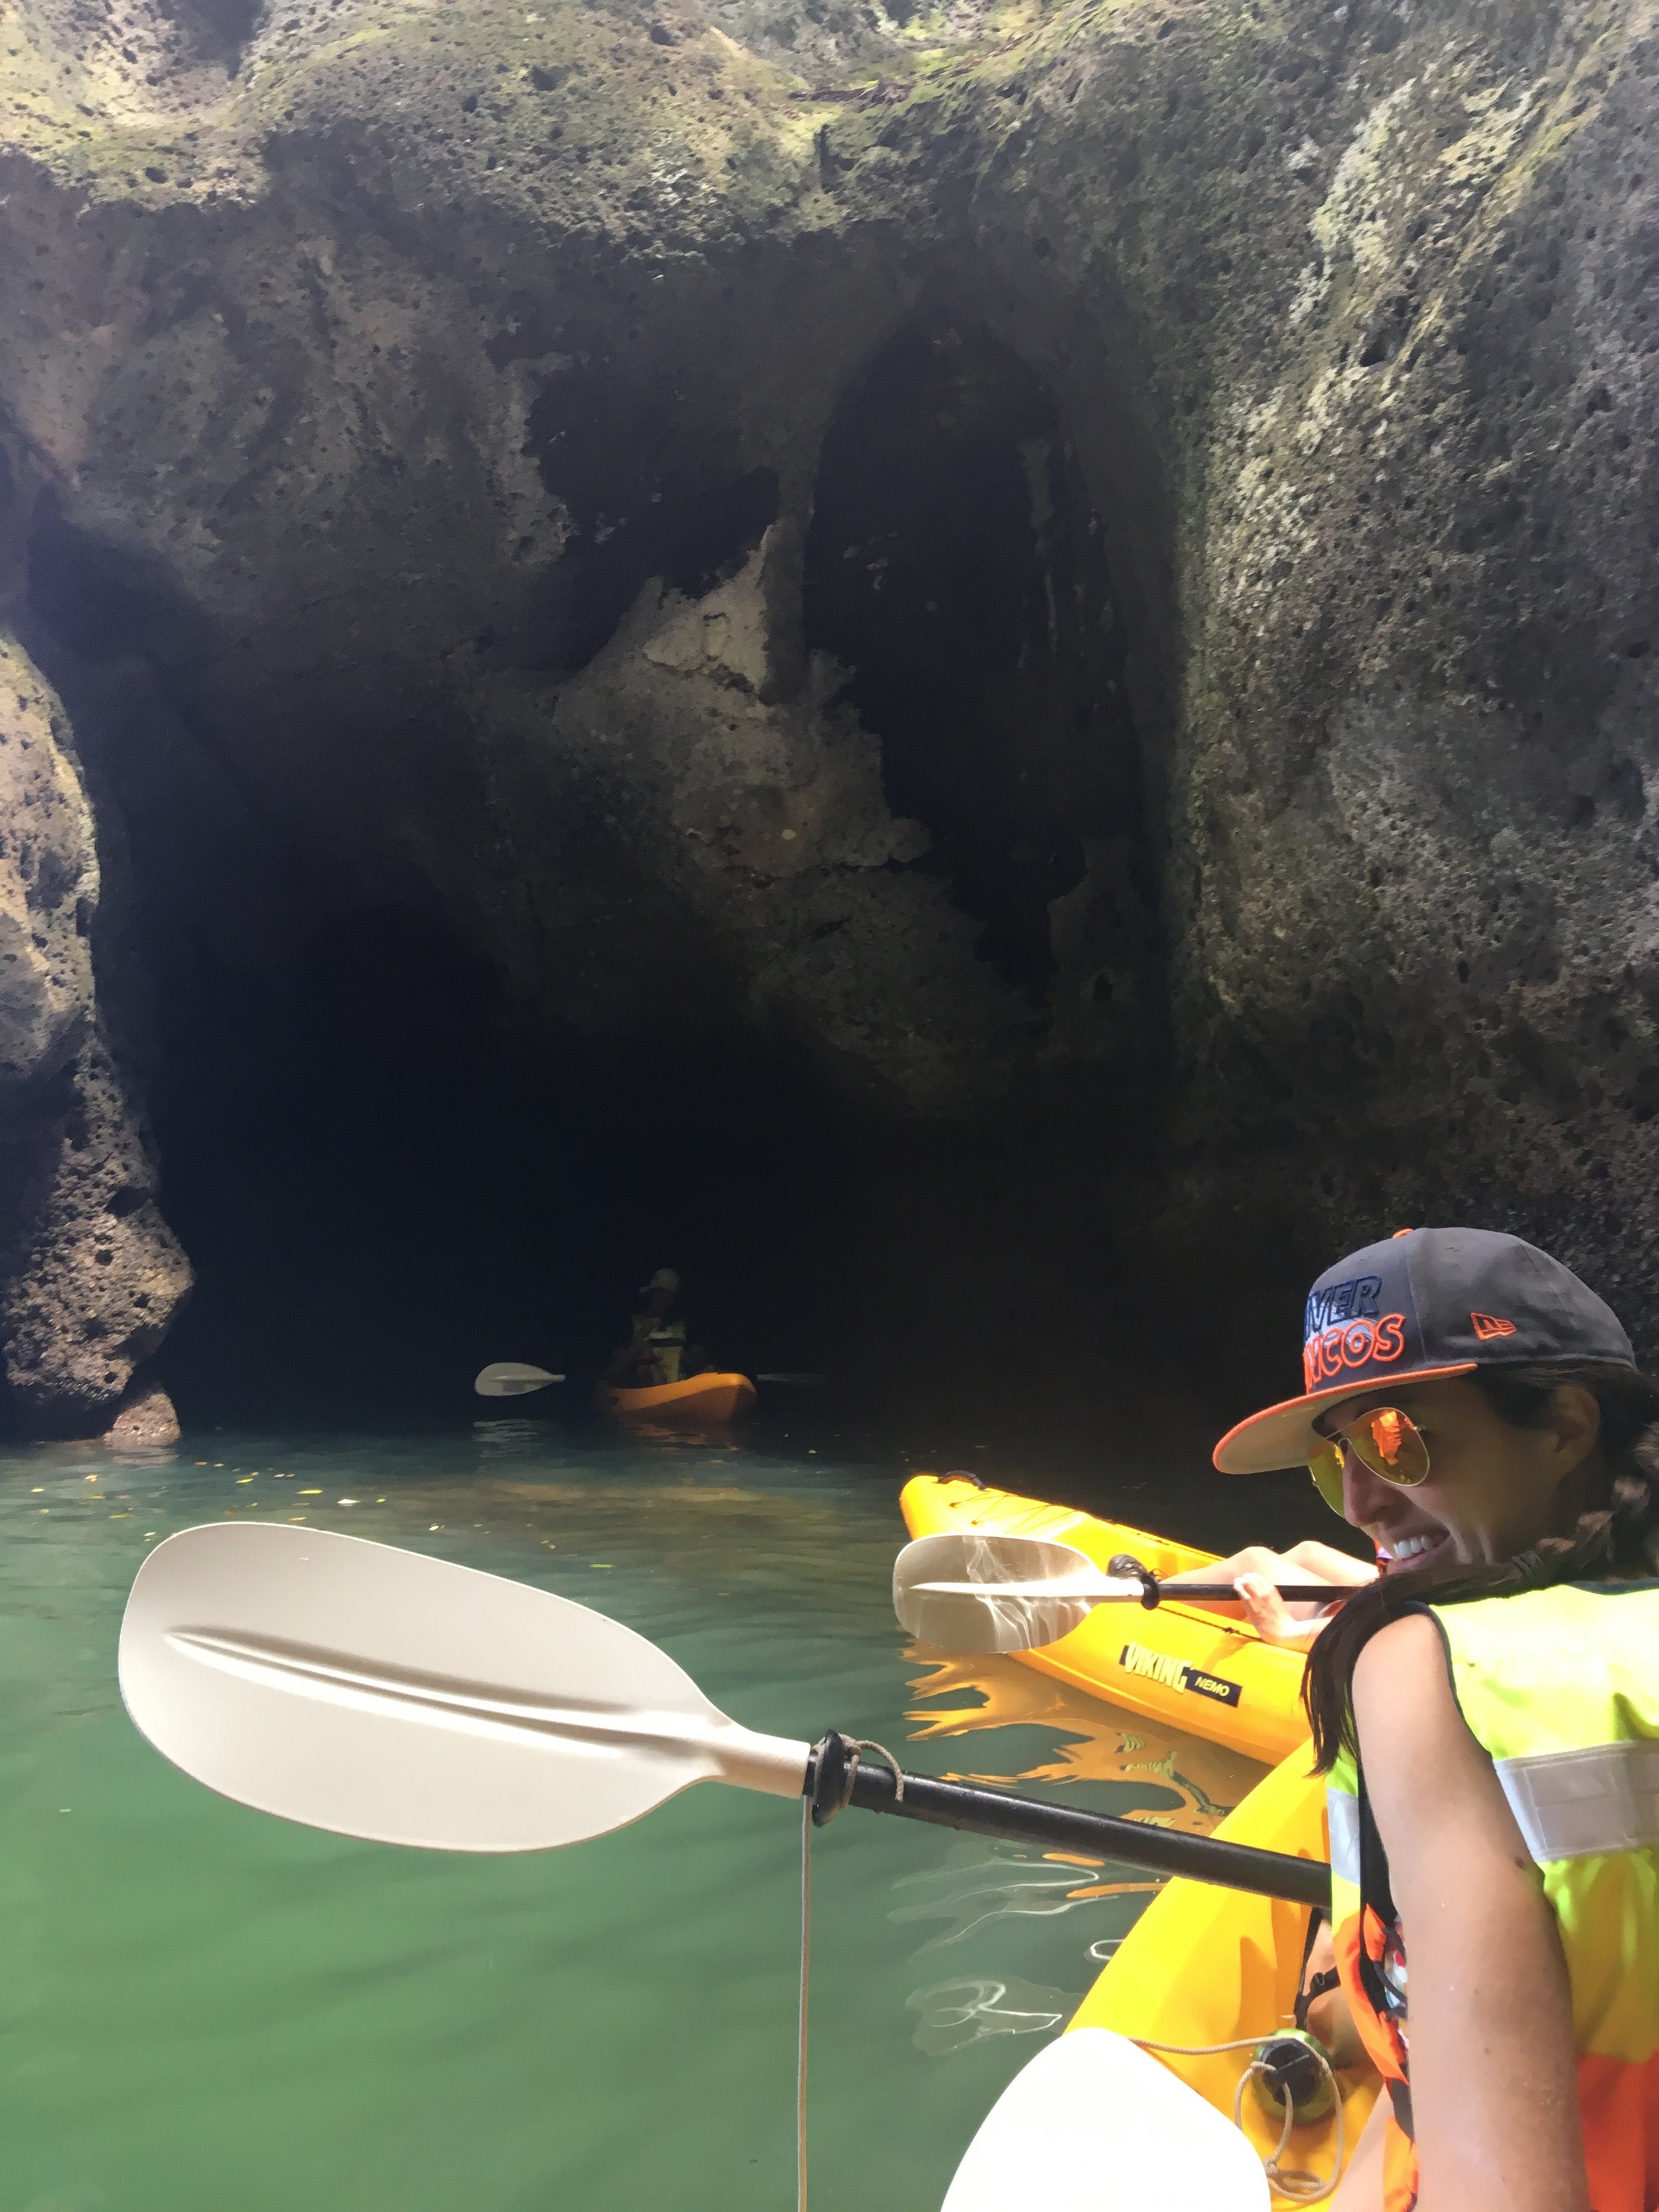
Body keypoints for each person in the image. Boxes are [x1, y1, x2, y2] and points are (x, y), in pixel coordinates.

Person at [1210, 1225, 1659, 2212]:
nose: (1364, 1503)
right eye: (1337, 1463)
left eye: (1393, 1439)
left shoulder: (1422, 1673)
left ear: (1567, 1427)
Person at [603, 1268, 707, 1386]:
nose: (664, 1299)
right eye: (660, 1293)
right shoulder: (631, 1325)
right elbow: (613, 1372)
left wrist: (687, 1357)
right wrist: (641, 1337)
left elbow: (698, 1361)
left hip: (678, 1391)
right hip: (645, 1391)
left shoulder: (682, 1327)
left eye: (669, 1295)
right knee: (645, 1349)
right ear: (651, 1294)